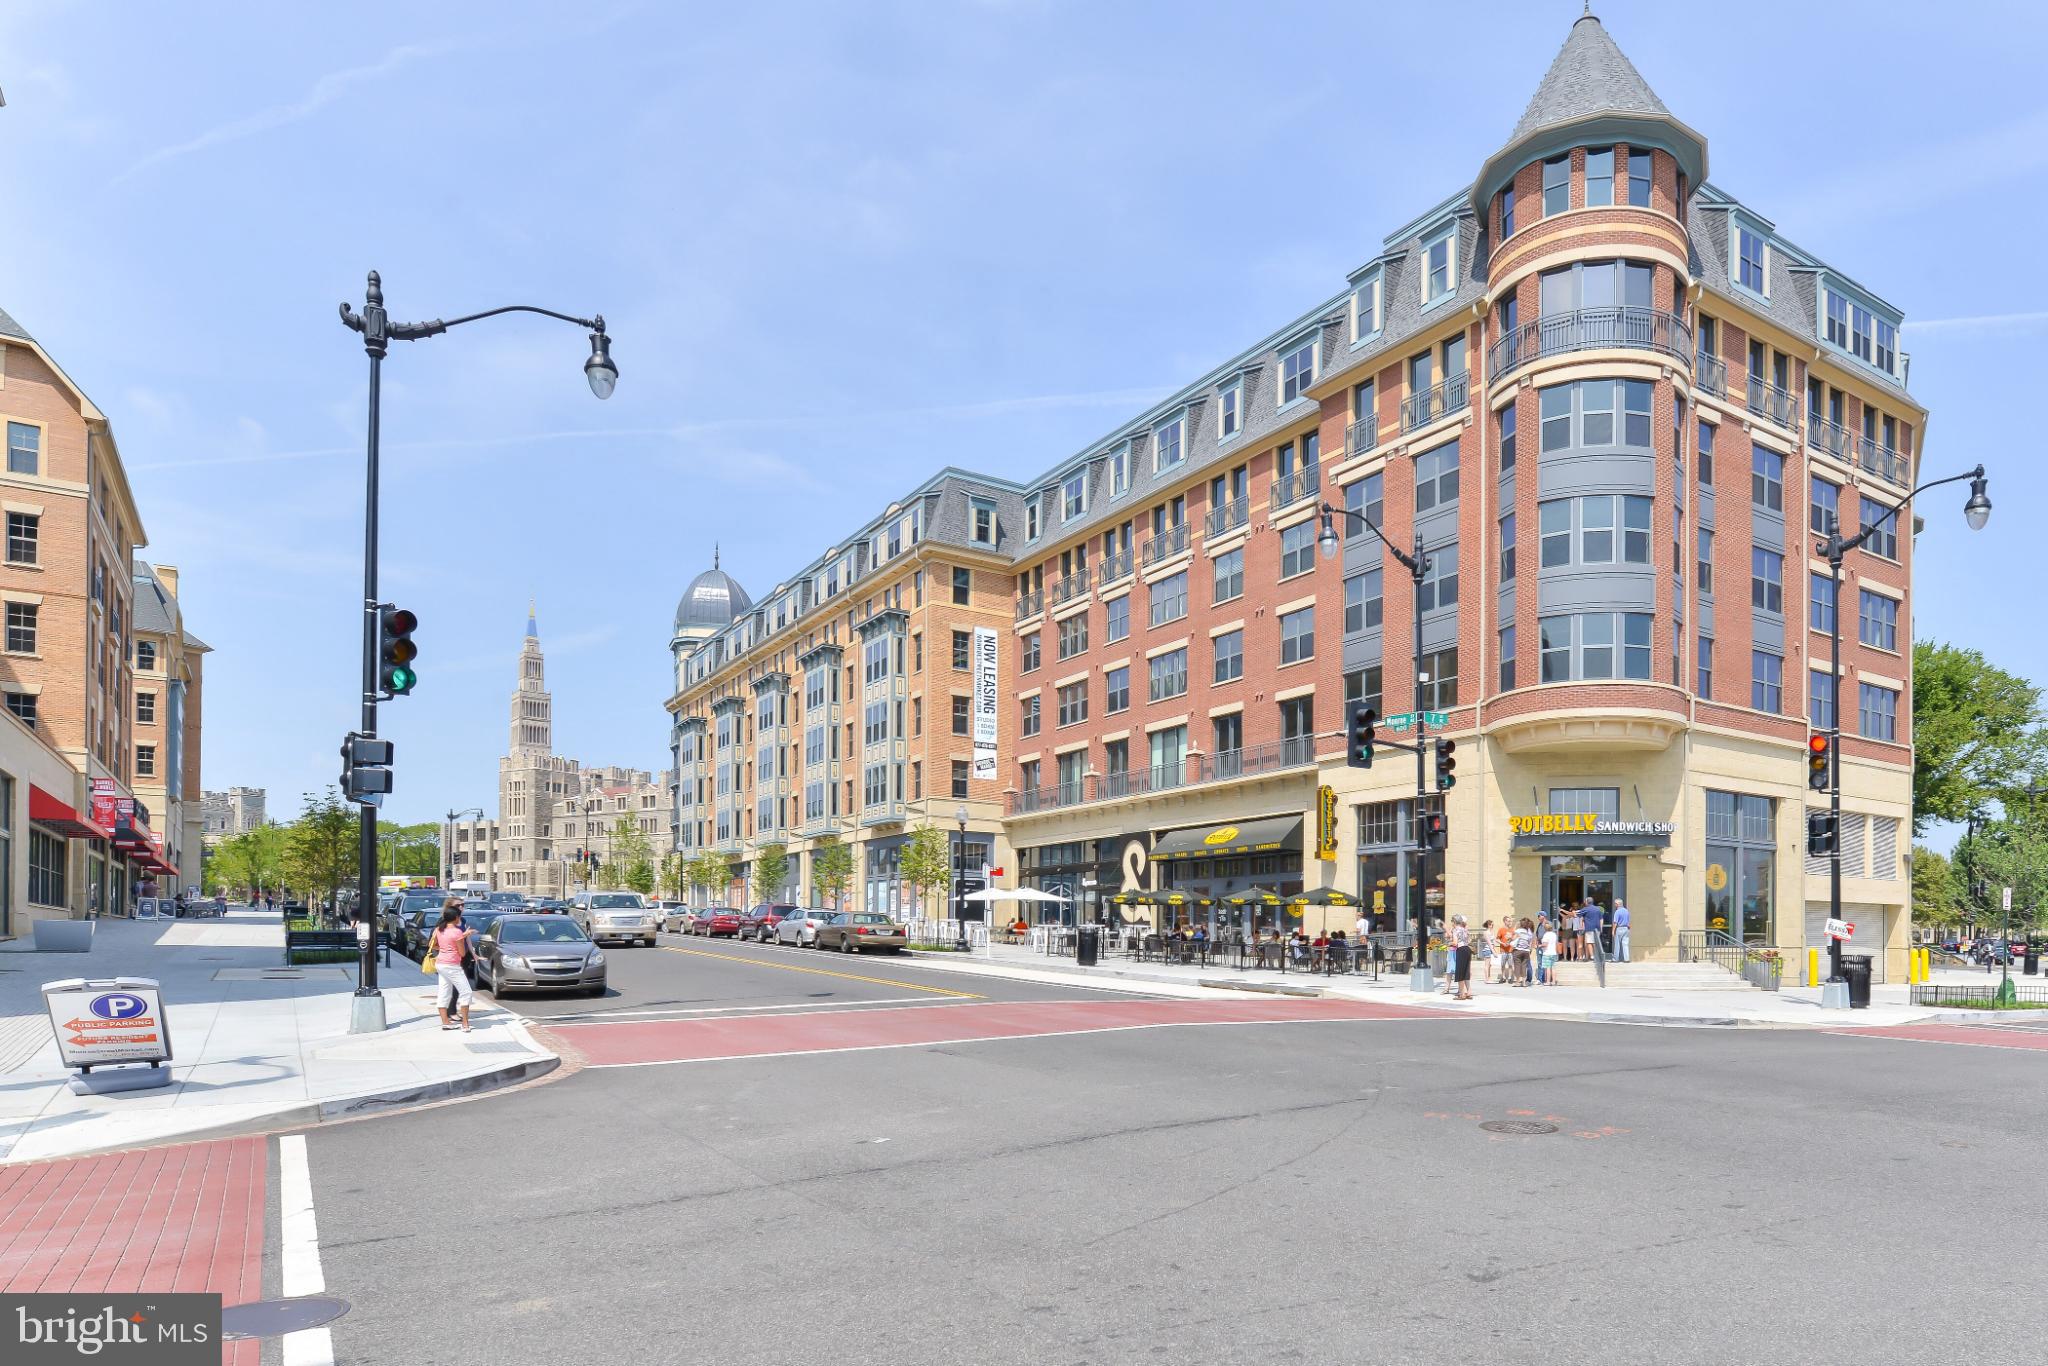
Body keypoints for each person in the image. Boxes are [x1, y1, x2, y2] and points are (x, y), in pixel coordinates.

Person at [428, 900, 476, 1032]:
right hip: (452, 965)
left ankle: (445, 1022)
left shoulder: (439, 929)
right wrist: (461, 938)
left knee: (444, 993)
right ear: (456, 918)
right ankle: (465, 1024)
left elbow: (433, 945)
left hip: (440, 963)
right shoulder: (456, 932)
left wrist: (445, 947)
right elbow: (461, 953)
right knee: (466, 992)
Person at [1449, 914, 1473, 1000]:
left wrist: (1449, 943)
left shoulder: (1455, 930)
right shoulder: (1464, 929)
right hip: (1467, 949)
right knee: (1466, 971)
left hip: (1461, 950)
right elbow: (1469, 940)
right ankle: (1469, 992)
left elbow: (1455, 943)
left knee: (1460, 972)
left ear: (1454, 922)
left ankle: (1462, 994)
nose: (1452, 923)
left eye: (1452, 921)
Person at [1512, 918, 1534, 987]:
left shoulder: (1518, 931)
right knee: (1524, 966)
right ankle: (1524, 983)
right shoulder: (1528, 932)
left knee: (1517, 966)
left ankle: (1517, 982)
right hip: (1526, 951)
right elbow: (1529, 942)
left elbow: (1513, 938)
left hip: (1518, 950)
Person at [1538, 917, 1560, 986]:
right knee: (1553, 968)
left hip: (1547, 953)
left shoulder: (1546, 935)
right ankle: (1553, 981)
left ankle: (1547, 981)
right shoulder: (1554, 934)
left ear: (1545, 928)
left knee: (1547, 968)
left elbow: (1545, 944)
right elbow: (1556, 944)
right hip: (1553, 953)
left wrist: (1540, 946)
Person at [1612, 898, 1632, 962]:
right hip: (1626, 928)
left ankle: (1615, 959)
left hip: (1619, 928)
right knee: (1625, 944)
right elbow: (1628, 921)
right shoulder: (1626, 911)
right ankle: (1627, 959)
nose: (1614, 905)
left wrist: (1613, 931)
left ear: (1618, 904)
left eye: (1615, 903)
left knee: (1617, 945)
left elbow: (1615, 922)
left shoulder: (1617, 912)